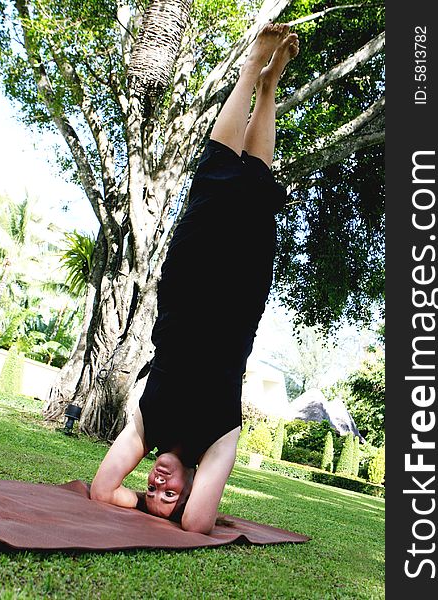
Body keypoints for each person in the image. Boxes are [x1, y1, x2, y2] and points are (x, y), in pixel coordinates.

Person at [90, 23, 299, 534]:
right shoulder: (218, 438)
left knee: (214, 177)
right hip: (239, 297)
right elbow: (200, 523)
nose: (160, 484)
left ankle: (251, 67)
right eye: (171, 495)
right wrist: (178, 512)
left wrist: (138, 502)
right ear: (190, 488)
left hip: (187, 284)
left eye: (152, 490)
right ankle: (269, 85)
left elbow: (101, 490)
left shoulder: (146, 426)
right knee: (252, 186)